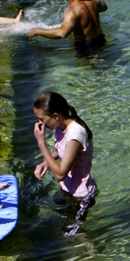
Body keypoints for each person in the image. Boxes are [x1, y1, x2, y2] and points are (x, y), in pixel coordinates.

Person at [32, 91, 96, 236]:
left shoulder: (75, 134)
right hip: (68, 189)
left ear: (55, 115)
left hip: (80, 195)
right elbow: (66, 151)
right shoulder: (61, 127)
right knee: (65, 225)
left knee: (74, 233)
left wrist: (41, 143)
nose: (39, 124)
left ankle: (93, 254)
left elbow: (60, 173)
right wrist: (46, 162)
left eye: (42, 119)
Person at [29, 0, 107, 55]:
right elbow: (104, 7)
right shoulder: (94, 1)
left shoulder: (72, 12)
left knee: (83, 67)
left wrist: (37, 31)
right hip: (100, 39)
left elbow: (62, 33)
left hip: (85, 46)